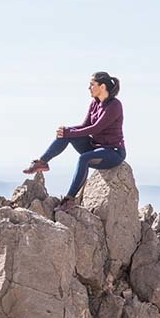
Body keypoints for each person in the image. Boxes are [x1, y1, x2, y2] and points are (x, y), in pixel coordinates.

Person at [23, 71, 127, 212]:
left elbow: (95, 128)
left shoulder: (115, 105)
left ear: (102, 87)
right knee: (66, 135)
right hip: (94, 147)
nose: (89, 88)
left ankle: (69, 199)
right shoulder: (95, 103)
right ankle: (42, 162)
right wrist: (67, 131)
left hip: (113, 153)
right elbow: (84, 126)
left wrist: (69, 131)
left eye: (92, 85)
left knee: (84, 158)